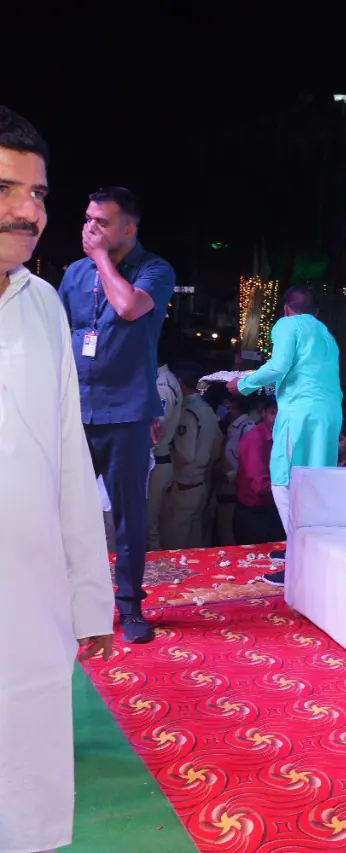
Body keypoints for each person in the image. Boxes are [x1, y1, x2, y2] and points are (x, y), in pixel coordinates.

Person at [0, 105, 115, 853]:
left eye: (38, 193)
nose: (29, 211)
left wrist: (88, 597)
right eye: (5, 189)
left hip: (29, 603)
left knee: (25, 796)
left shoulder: (43, 304)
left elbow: (71, 457)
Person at [58, 185, 176, 644]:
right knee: (63, 512)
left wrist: (102, 259)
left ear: (129, 228)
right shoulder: (75, 274)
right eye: (88, 219)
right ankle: (65, 603)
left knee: (128, 515)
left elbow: (128, 307)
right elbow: (60, 334)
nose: (90, 229)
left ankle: (129, 608)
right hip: (75, 410)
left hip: (126, 412)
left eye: (102, 222)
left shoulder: (155, 270)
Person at [228, 285, 341, 585]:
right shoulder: (326, 334)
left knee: (284, 481)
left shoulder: (288, 325)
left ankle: (298, 563)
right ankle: (303, 550)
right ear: (316, 311)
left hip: (299, 413)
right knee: (315, 482)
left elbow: (278, 366)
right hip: (328, 415)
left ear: (287, 308)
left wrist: (243, 384)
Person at [161, 361, 221, 549]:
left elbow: (184, 454)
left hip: (184, 485)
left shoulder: (188, 412)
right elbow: (217, 446)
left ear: (180, 382)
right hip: (201, 482)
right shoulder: (207, 409)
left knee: (175, 543)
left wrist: (166, 453)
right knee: (195, 541)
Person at [234, 397, 287, 546]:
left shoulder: (280, 437)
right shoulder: (256, 439)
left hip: (271, 512)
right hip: (255, 515)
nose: (276, 417)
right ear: (263, 413)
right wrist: (291, 490)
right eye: (272, 412)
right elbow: (260, 486)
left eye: (281, 413)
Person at [148, 347, 183, 551]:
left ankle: (156, 566)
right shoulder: (161, 380)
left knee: (149, 524)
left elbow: (156, 426)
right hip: (157, 460)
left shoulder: (163, 385)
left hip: (157, 460)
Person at [216, 394, 256, 545]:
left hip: (235, 485)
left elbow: (249, 462)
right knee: (222, 526)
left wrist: (230, 476)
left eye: (226, 405)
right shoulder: (232, 427)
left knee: (228, 529)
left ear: (233, 407)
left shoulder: (247, 428)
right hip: (225, 485)